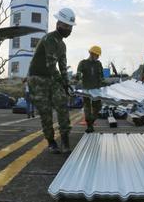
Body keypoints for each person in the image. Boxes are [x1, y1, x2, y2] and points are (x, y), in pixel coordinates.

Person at [28, 8, 75, 154]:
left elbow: (62, 66)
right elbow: (50, 64)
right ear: (58, 24)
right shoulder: (48, 39)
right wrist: (61, 81)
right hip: (38, 78)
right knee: (46, 112)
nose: (68, 29)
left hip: (52, 77)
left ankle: (65, 142)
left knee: (62, 104)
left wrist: (66, 84)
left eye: (70, 27)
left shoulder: (62, 45)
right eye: (66, 26)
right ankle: (51, 142)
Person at [76, 45, 104, 133]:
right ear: (91, 53)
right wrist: (78, 76)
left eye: (98, 55)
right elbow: (79, 72)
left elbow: (102, 77)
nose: (98, 57)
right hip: (86, 89)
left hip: (97, 89)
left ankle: (91, 121)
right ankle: (89, 125)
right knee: (87, 107)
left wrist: (105, 85)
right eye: (97, 55)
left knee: (98, 107)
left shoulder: (99, 64)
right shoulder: (83, 63)